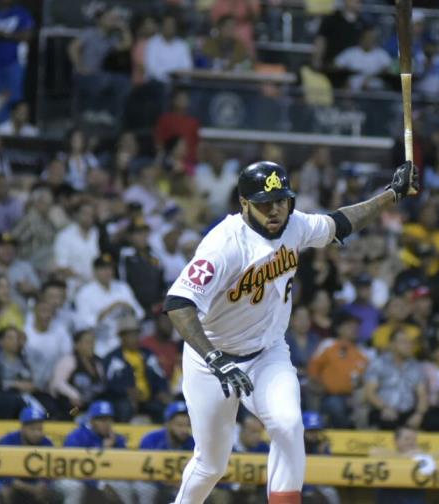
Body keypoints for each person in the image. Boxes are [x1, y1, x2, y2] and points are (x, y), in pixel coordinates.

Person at [163, 159, 418, 503]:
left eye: (281, 200)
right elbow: (178, 302)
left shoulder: (295, 225)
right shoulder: (223, 245)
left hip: (268, 353)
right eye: (264, 203)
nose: (274, 210)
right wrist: (214, 357)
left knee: (288, 425)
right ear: (244, 204)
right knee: (212, 465)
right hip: (212, 361)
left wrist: (391, 195)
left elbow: (340, 223)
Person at [58, 401, 133, 504]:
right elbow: (73, 468)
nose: (107, 424)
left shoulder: (116, 439)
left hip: (107, 479)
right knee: (75, 487)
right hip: (79, 479)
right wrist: (99, 484)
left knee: (124, 487)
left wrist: (113, 448)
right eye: (102, 420)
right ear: (92, 421)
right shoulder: (77, 436)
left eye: (109, 419)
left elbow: (127, 466)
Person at [74, 254, 144, 357]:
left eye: (110, 268)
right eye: (103, 268)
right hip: (101, 345)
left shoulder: (122, 287)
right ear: (95, 271)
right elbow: (85, 324)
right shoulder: (84, 293)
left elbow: (140, 314)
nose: (108, 272)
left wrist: (129, 308)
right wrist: (109, 309)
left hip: (125, 342)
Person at [0, 407, 62, 504]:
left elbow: (53, 470)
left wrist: (44, 483)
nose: (37, 433)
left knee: (55, 493)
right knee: (5, 491)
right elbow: (1, 472)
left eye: (40, 429)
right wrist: (28, 488)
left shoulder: (47, 443)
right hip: (14, 483)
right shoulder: (8, 440)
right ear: (22, 428)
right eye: (32, 429)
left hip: (36, 484)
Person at [363, 328, 426, 429]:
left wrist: (419, 414)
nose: (409, 346)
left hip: (408, 412)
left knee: (433, 421)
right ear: (392, 345)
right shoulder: (378, 364)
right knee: (386, 422)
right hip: (383, 409)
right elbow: (370, 393)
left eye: (411, 343)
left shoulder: (416, 366)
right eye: (404, 342)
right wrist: (384, 408)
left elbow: (422, 395)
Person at [135, 402, 196, 504]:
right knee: (145, 488)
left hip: (181, 485)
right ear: (168, 424)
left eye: (187, 425)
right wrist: (167, 482)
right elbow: (143, 471)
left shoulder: (193, 442)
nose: (184, 430)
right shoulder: (151, 439)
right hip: (155, 484)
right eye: (179, 425)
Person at [0, 0, 34, 121]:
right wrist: (9, 35)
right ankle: (1, 128)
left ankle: (13, 130)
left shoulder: (21, 13)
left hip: (14, 62)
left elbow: (27, 36)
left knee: (14, 98)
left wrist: (4, 35)